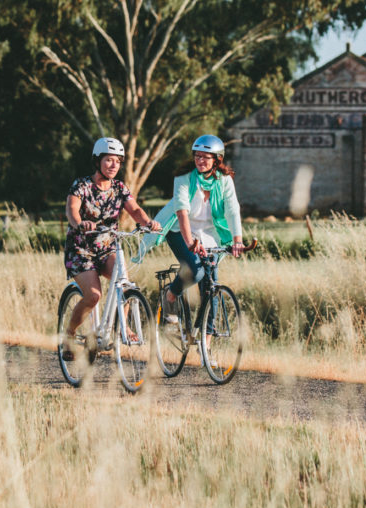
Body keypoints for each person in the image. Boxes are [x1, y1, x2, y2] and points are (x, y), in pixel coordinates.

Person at [144, 135, 244, 357]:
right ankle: (170, 296)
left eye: (206, 157)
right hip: (180, 230)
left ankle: (205, 344)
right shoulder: (184, 177)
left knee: (212, 287)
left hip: (209, 234)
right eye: (197, 156)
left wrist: (237, 240)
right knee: (196, 271)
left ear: (217, 159)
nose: (200, 160)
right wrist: (190, 242)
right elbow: (182, 212)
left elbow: (233, 210)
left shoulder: (224, 180)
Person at [62, 137, 159, 358]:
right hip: (81, 250)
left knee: (124, 283)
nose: (113, 165)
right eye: (109, 160)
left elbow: (135, 210)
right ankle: (68, 334)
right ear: (98, 161)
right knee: (94, 296)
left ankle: (123, 326)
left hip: (107, 248)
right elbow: (72, 209)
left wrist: (148, 223)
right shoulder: (82, 185)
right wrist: (79, 224)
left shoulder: (119, 188)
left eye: (117, 161)